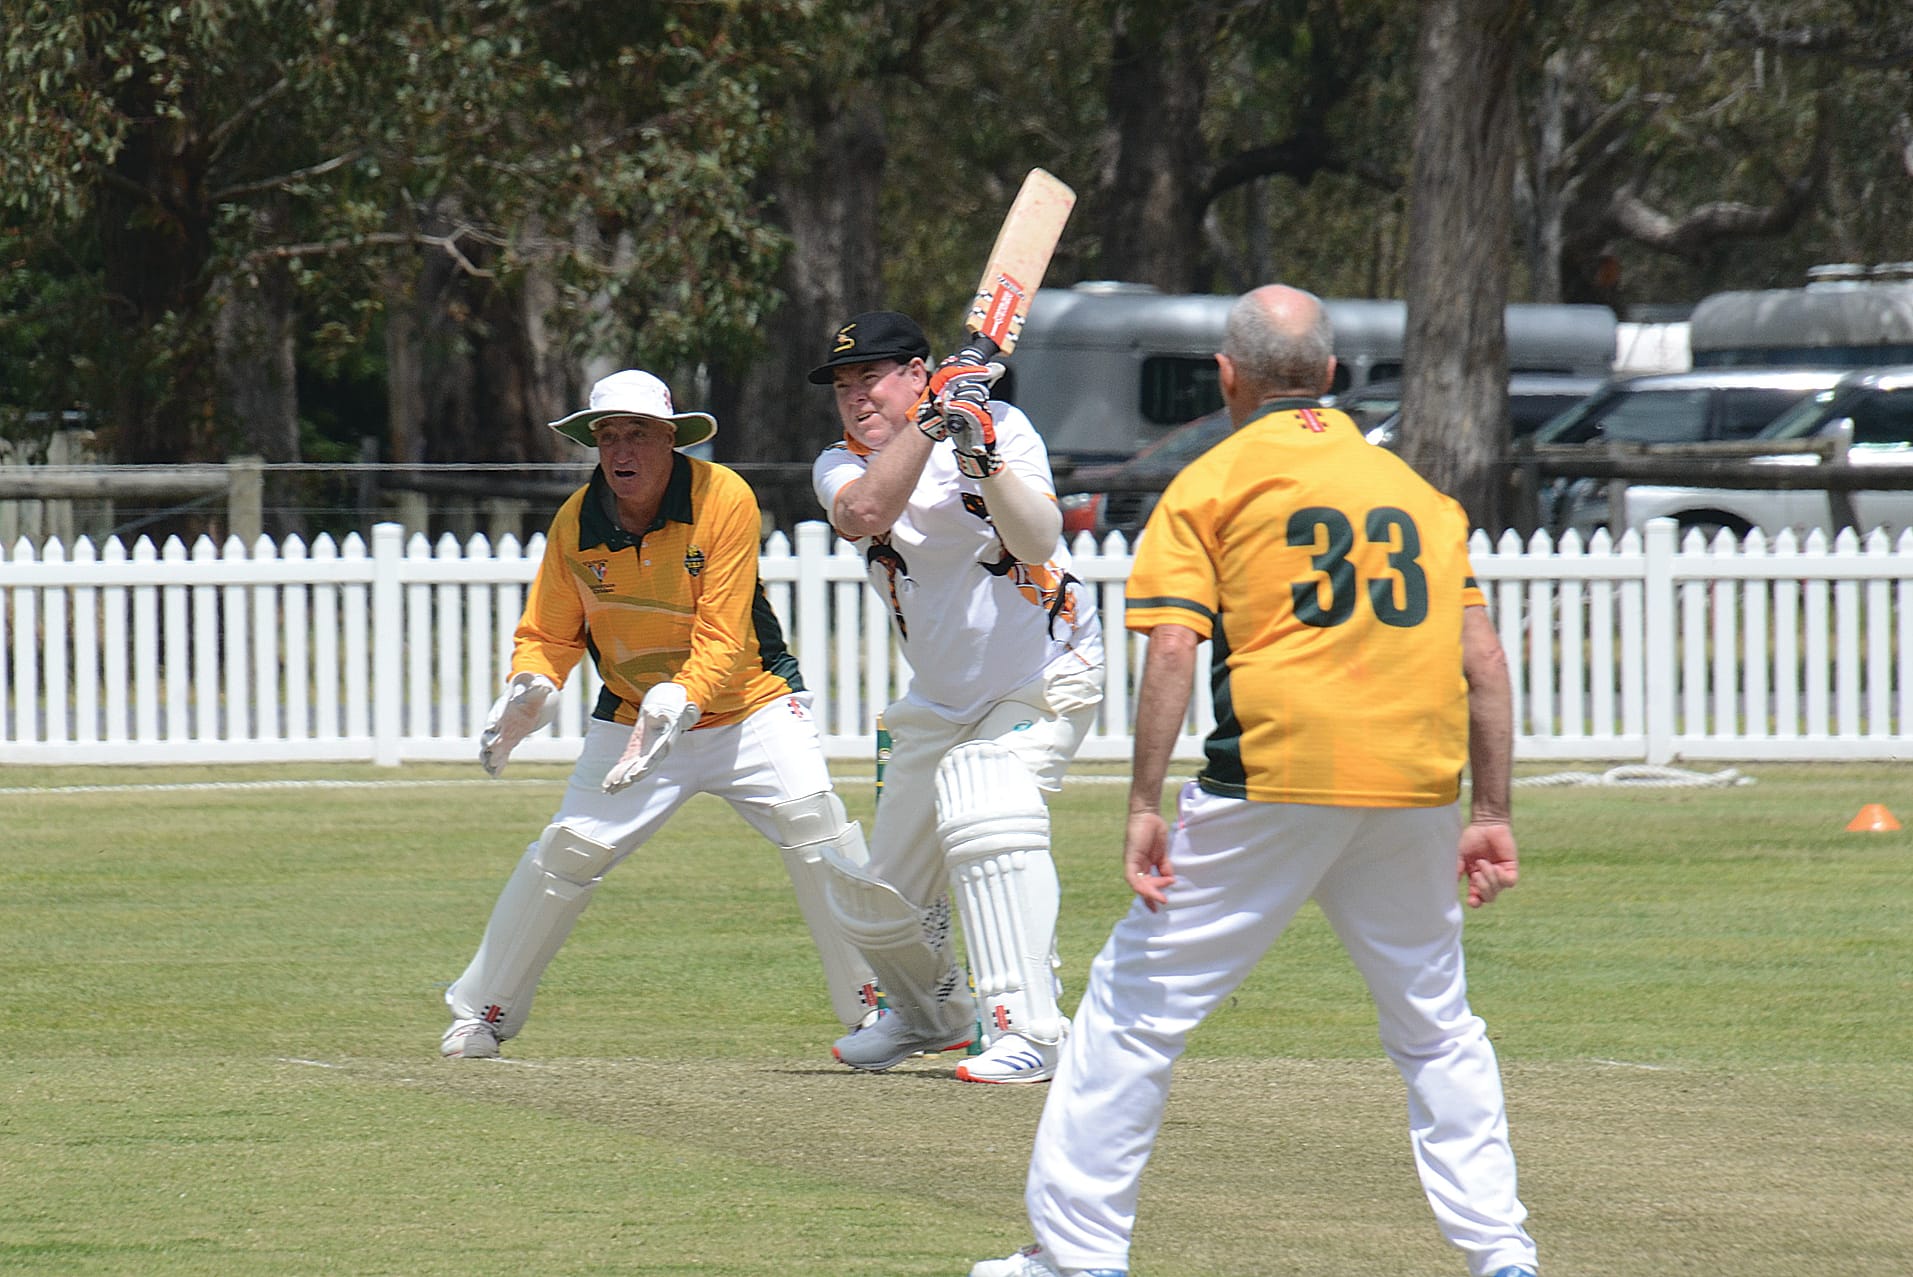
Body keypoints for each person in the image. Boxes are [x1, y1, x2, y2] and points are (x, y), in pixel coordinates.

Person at [972, 286, 1539, 1276]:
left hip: (1271, 777)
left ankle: (1075, 1255)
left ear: (1225, 378)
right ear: (1327, 376)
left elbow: (1172, 651)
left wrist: (1143, 802)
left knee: (1130, 1011)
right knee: (1435, 1025)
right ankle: (1500, 1254)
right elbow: (1482, 663)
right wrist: (1488, 810)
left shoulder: (1209, 482)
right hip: (1412, 785)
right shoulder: (1416, 492)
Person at [441, 368, 880, 1059]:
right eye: (608, 436)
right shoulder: (575, 522)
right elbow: (550, 633)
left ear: (671, 440)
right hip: (629, 719)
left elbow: (724, 633)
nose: (621, 451)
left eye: (638, 434)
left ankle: (878, 1010)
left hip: (749, 706)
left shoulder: (721, 497)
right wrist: (530, 686)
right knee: (567, 851)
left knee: (814, 826)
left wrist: (679, 699)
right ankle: (480, 1012)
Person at [807, 311, 1105, 1084]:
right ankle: (928, 1013)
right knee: (884, 897)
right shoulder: (840, 463)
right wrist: (936, 421)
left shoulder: (1000, 422)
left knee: (986, 808)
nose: (855, 397)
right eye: (843, 386)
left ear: (915, 370)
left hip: (1045, 672)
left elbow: (1038, 541)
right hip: (940, 700)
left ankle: (1030, 1029)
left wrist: (980, 452)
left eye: (869, 378)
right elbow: (864, 513)